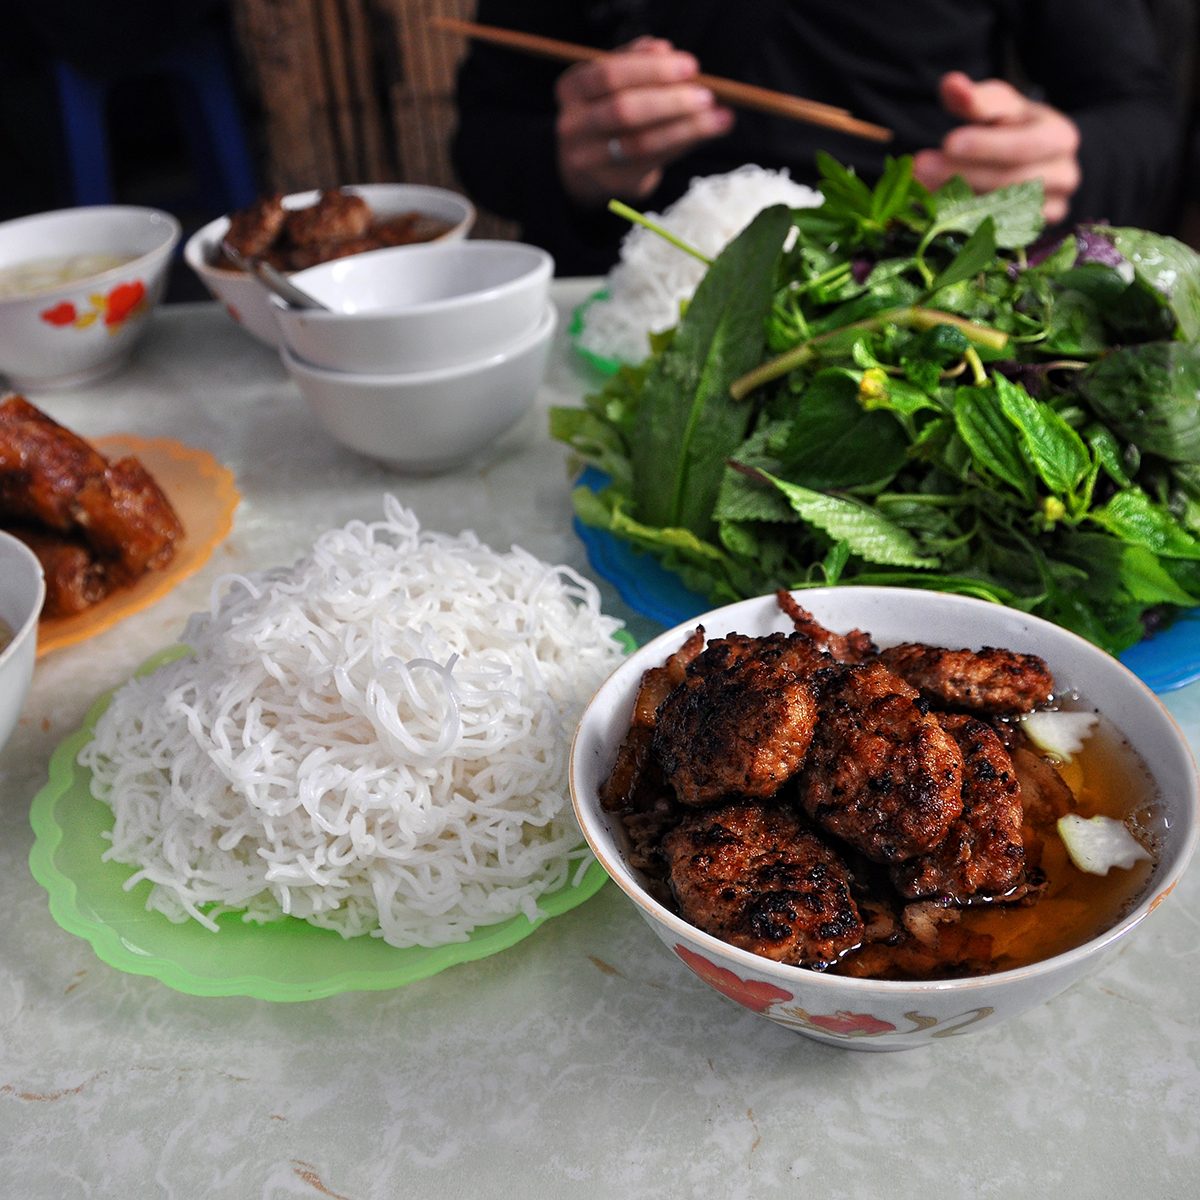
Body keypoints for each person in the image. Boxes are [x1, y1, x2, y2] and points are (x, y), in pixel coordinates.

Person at [452, 0, 1181, 275]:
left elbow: (1139, 114)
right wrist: (576, 164)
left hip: (936, 275)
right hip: (648, 291)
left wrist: (1064, 159)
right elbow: (483, 138)